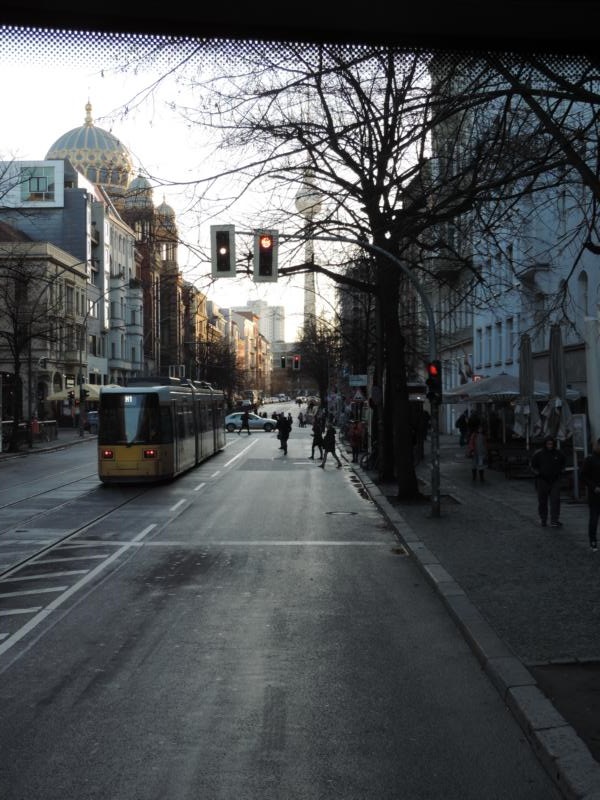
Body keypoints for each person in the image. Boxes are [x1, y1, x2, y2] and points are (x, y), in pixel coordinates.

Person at [530, 435, 566, 527]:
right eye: (548, 444)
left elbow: (563, 464)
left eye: (551, 444)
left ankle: (554, 520)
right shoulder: (539, 454)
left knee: (555, 500)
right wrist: (538, 473)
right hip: (542, 480)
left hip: (555, 480)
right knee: (542, 501)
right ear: (545, 444)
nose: (550, 445)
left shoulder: (559, 454)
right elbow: (532, 466)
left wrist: (561, 472)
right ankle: (543, 519)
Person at [580, 438, 600, 550]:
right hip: (595, 495)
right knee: (594, 519)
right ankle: (593, 541)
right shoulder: (590, 459)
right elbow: (583, 476)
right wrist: (593, 487)